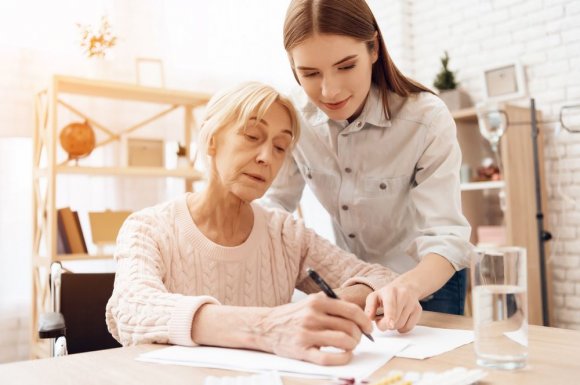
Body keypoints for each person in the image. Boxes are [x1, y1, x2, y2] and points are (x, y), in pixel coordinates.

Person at [106, 82, 414, 366]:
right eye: (252, 137)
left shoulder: (285, 234)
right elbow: (133, 308)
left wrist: (332, 304)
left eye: (280, 147)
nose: (267, 156)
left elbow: (379, 277)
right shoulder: (147, 228)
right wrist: (269, 326)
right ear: (212, 141)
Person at [262, 0, 473, 328]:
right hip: (355, 285)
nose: (329, 91)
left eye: (346, 66)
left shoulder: (426, 119)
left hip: (428, 285)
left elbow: (447, 235)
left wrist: (404, 287)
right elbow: (273, 206)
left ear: (373, 49)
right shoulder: (293, 118)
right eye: (310, 73)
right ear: (292, 66)